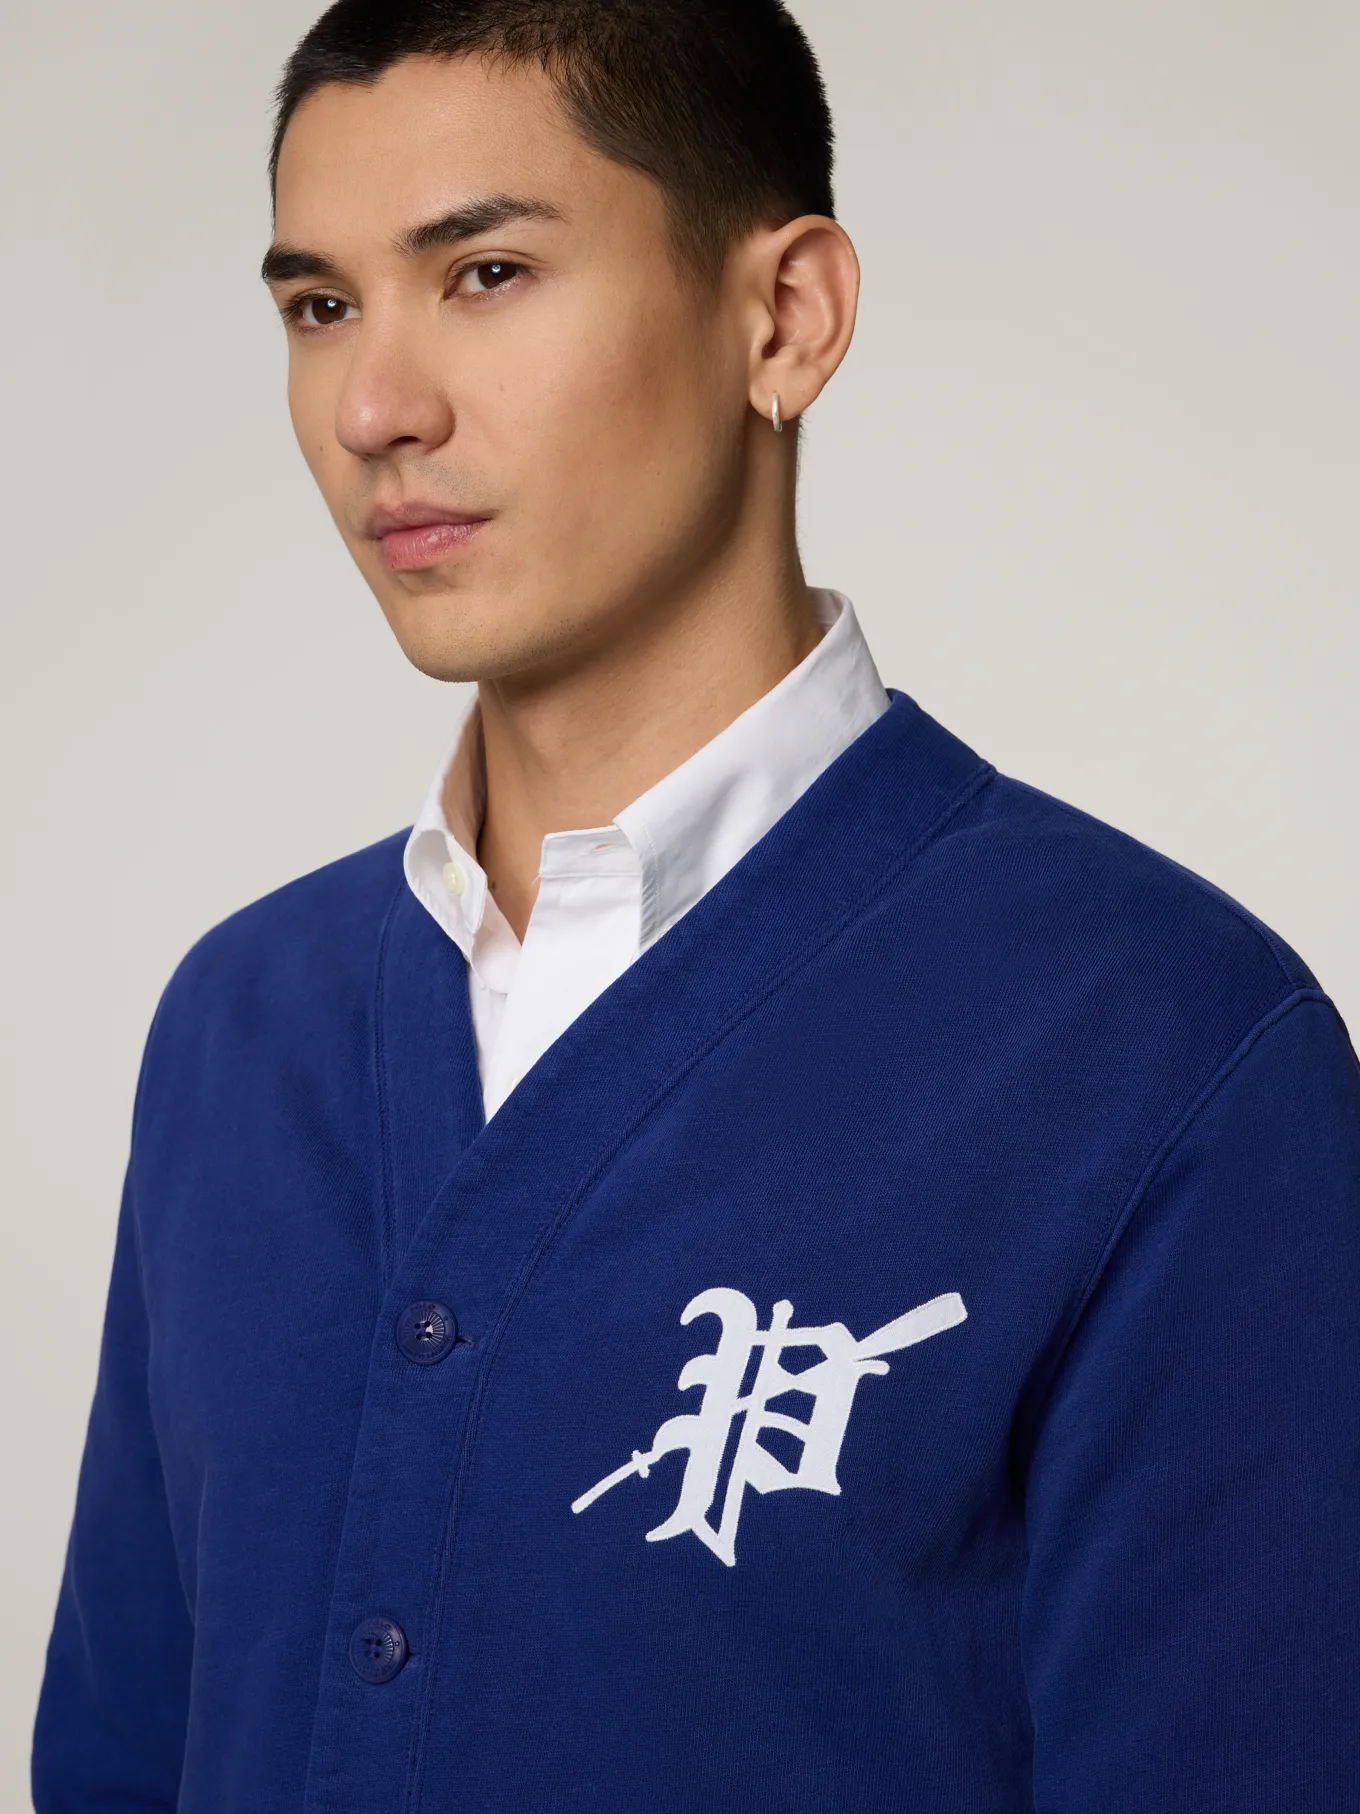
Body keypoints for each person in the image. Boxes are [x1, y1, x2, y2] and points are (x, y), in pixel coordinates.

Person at [32, 1, 1360, 1808]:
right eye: (320, 306)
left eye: (486, 274)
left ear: (785, 317)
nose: (373, 410)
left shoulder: (1163, 1050)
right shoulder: (237, 1026)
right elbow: (119, 1757)